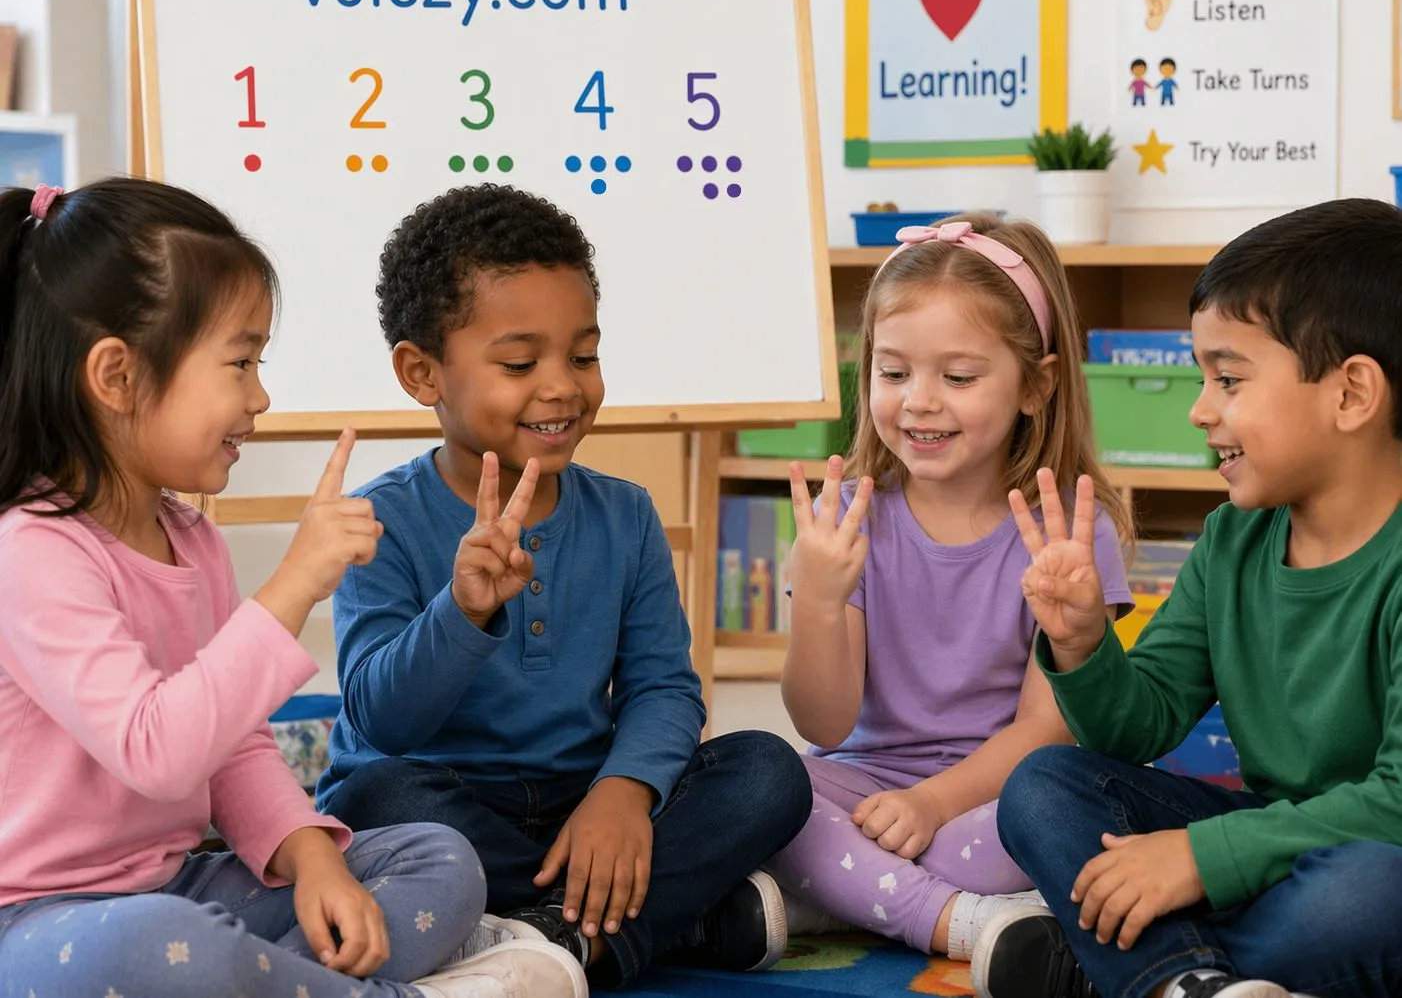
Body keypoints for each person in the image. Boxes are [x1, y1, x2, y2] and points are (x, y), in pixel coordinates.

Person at [0, 179, 585, 997]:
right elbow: (157, 752)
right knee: (159, 946)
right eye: (240, 363)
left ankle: (284, 980)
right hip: (36, 921)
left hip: (176, 887)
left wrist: (314, 860)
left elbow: (232, 748)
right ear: (117, 377)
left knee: (438, 860)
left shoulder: (190, 538)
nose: (260, 396)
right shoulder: (31, 551)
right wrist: (293, 585)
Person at [315, 182, 813, 989]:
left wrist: (622, 793)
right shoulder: (380, 520)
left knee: (769, 771)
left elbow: (664, 689)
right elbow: (382, 719)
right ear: (421, 372)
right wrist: (462, 611)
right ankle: (642, 921)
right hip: (446, 804)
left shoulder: (627, 514)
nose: (563, 387)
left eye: (583, 356)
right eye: (520, 363)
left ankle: (545, 931)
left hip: (586, 796)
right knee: (374, 798)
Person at [976, 198, 1402, 998]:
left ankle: (1119, 964)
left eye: (1229, 379)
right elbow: (1139, 726)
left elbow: (1397, 802)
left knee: (1370, 897)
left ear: (1351, 394)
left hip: (1364, 857)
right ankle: (1187, 980)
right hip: (1263, 850)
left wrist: (1202, 861)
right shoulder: (1231, 542)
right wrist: (1081, 644)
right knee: (1043, 785)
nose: (1200, 410)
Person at [766, 214, 1133, 961]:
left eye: (958, 377)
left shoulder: (1071, 531)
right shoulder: (848, 519)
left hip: (997, 794)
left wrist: (930, 804)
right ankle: (956, 920)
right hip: (861, 785)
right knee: (758, 791)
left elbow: (1048, 728)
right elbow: (824, 724)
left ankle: (846, 895)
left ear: (1037, 385)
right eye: (893, 373)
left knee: (1062, 816)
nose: (919, 401)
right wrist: (820, 601)